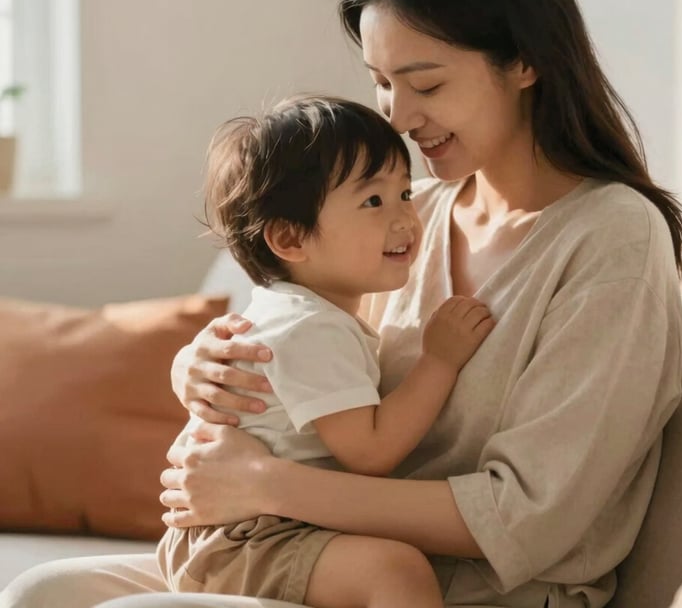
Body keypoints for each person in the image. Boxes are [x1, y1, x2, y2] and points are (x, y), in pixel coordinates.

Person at [0, 0, 682, 608]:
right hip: (316, 552)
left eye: (426, 84)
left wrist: (266, 484)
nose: (397, 118)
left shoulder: (613, 239)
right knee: (41, 593)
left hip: (461, 588)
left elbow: (528, 517)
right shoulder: (403, 215)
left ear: (525, 61)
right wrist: (201, 368)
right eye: (381, 83)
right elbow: (295, 348)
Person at [156, 94, 493, 607]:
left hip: (233, 529)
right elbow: (372, 452)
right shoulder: (311, 328)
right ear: (290, 239)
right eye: (373, 202)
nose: (406, 217)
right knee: (395, 571)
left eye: (404, 192)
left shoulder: (295, 312)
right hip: (245, 538)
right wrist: (440, 361)